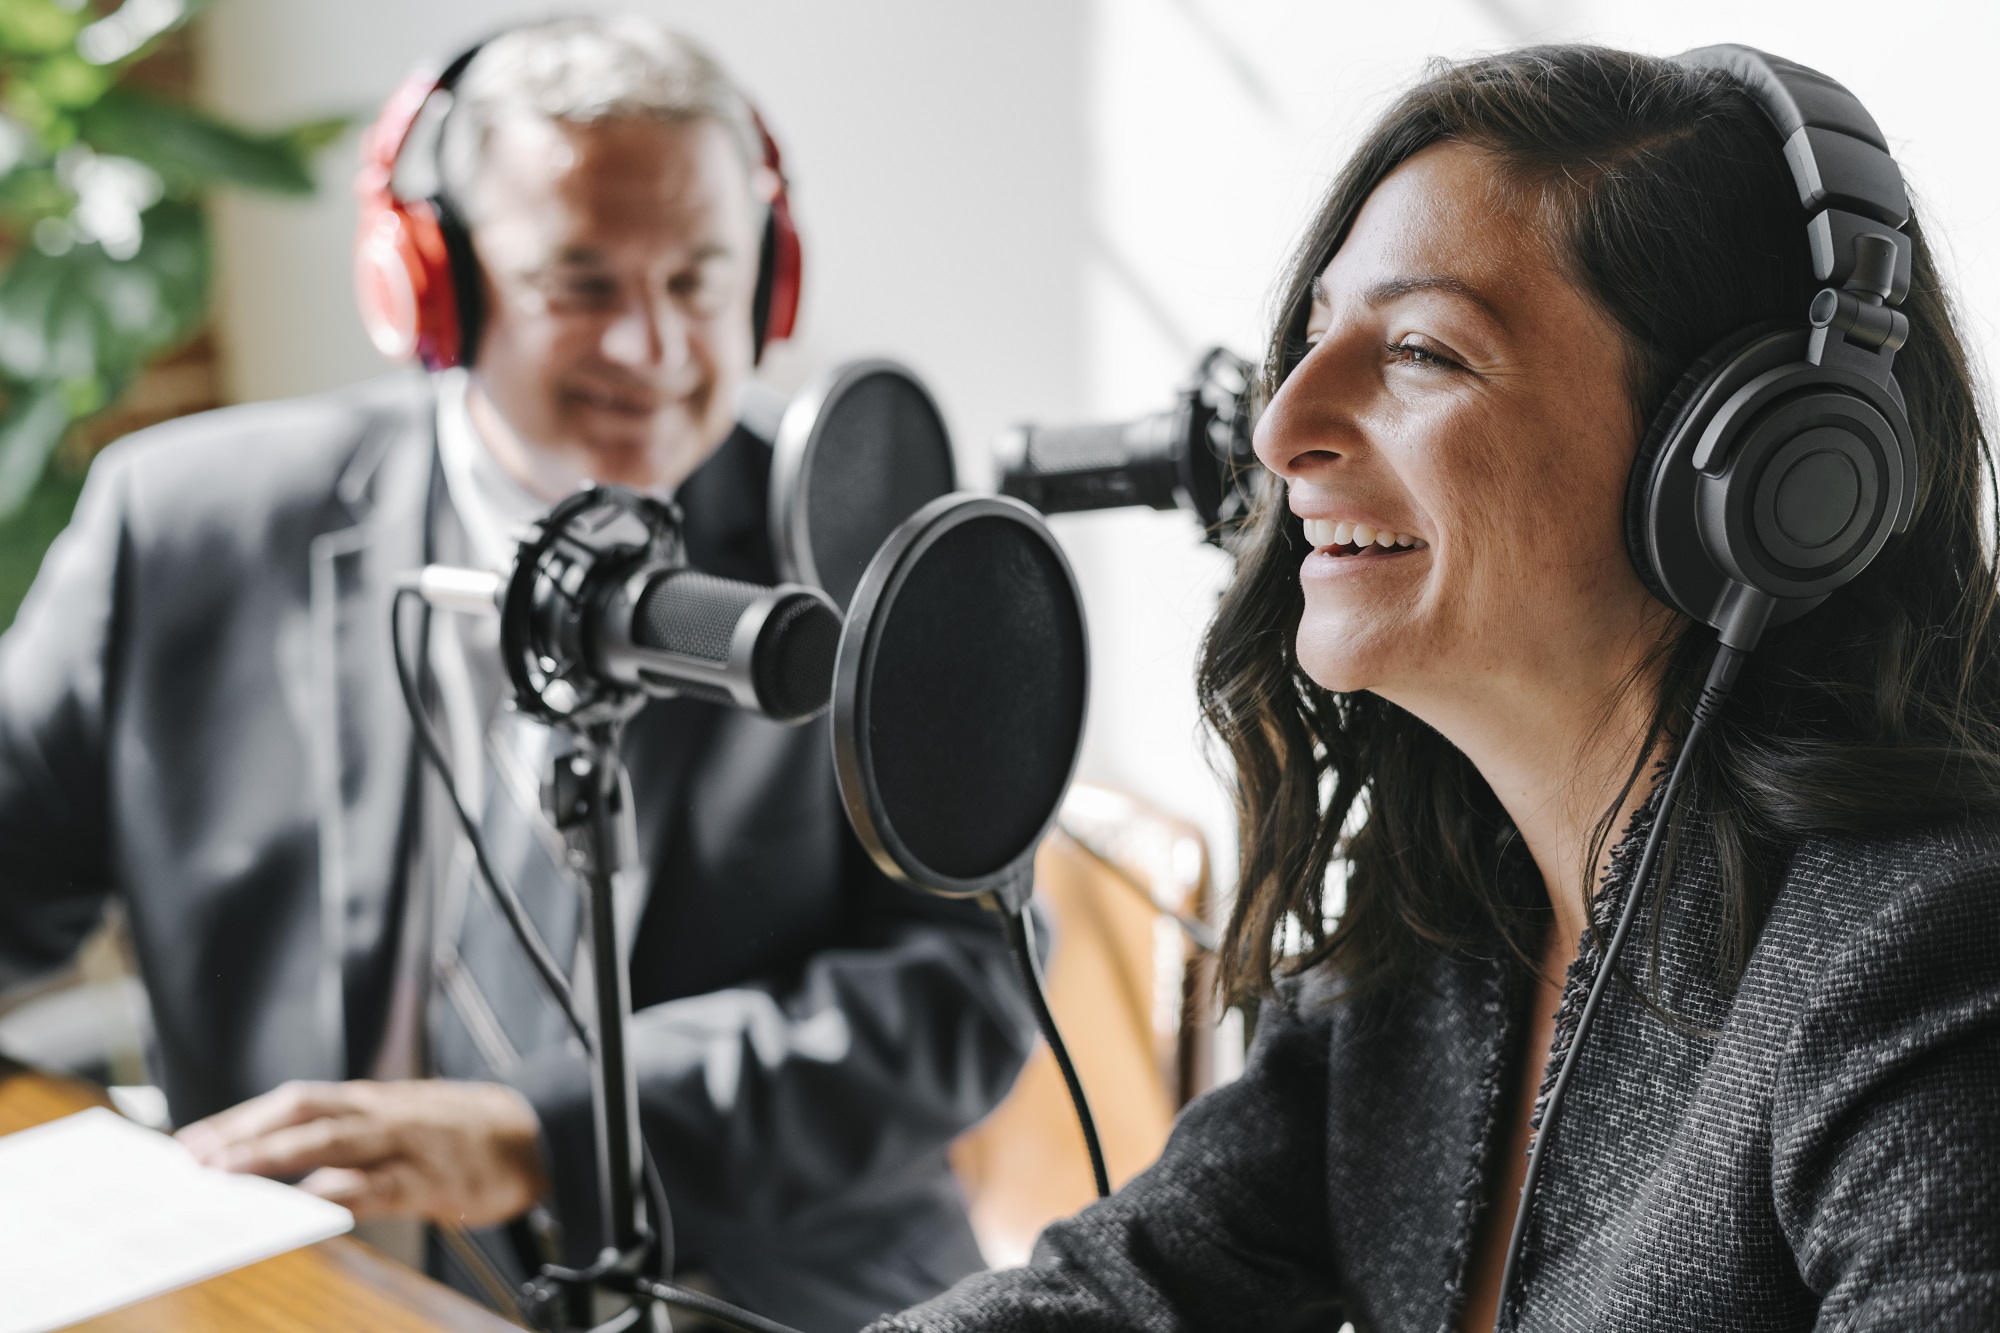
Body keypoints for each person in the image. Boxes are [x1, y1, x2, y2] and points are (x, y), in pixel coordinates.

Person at [870, 44, 2000, 1333]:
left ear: (1747, 471)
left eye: (1421, 351)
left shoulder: (1924, 956)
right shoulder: (1446, 940)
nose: (1280, 424)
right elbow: (1127, 1291)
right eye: (1310, 340)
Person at [0, 17, 1035, 1331]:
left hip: (756, 1290)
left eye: (700, 280)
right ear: (435, 285)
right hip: (310, 1286)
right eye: (581, 285)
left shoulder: (869, 550)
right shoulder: (183, 530)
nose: (653, 351)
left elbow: (963, 993)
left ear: (770, 281)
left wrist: (538, 1129)